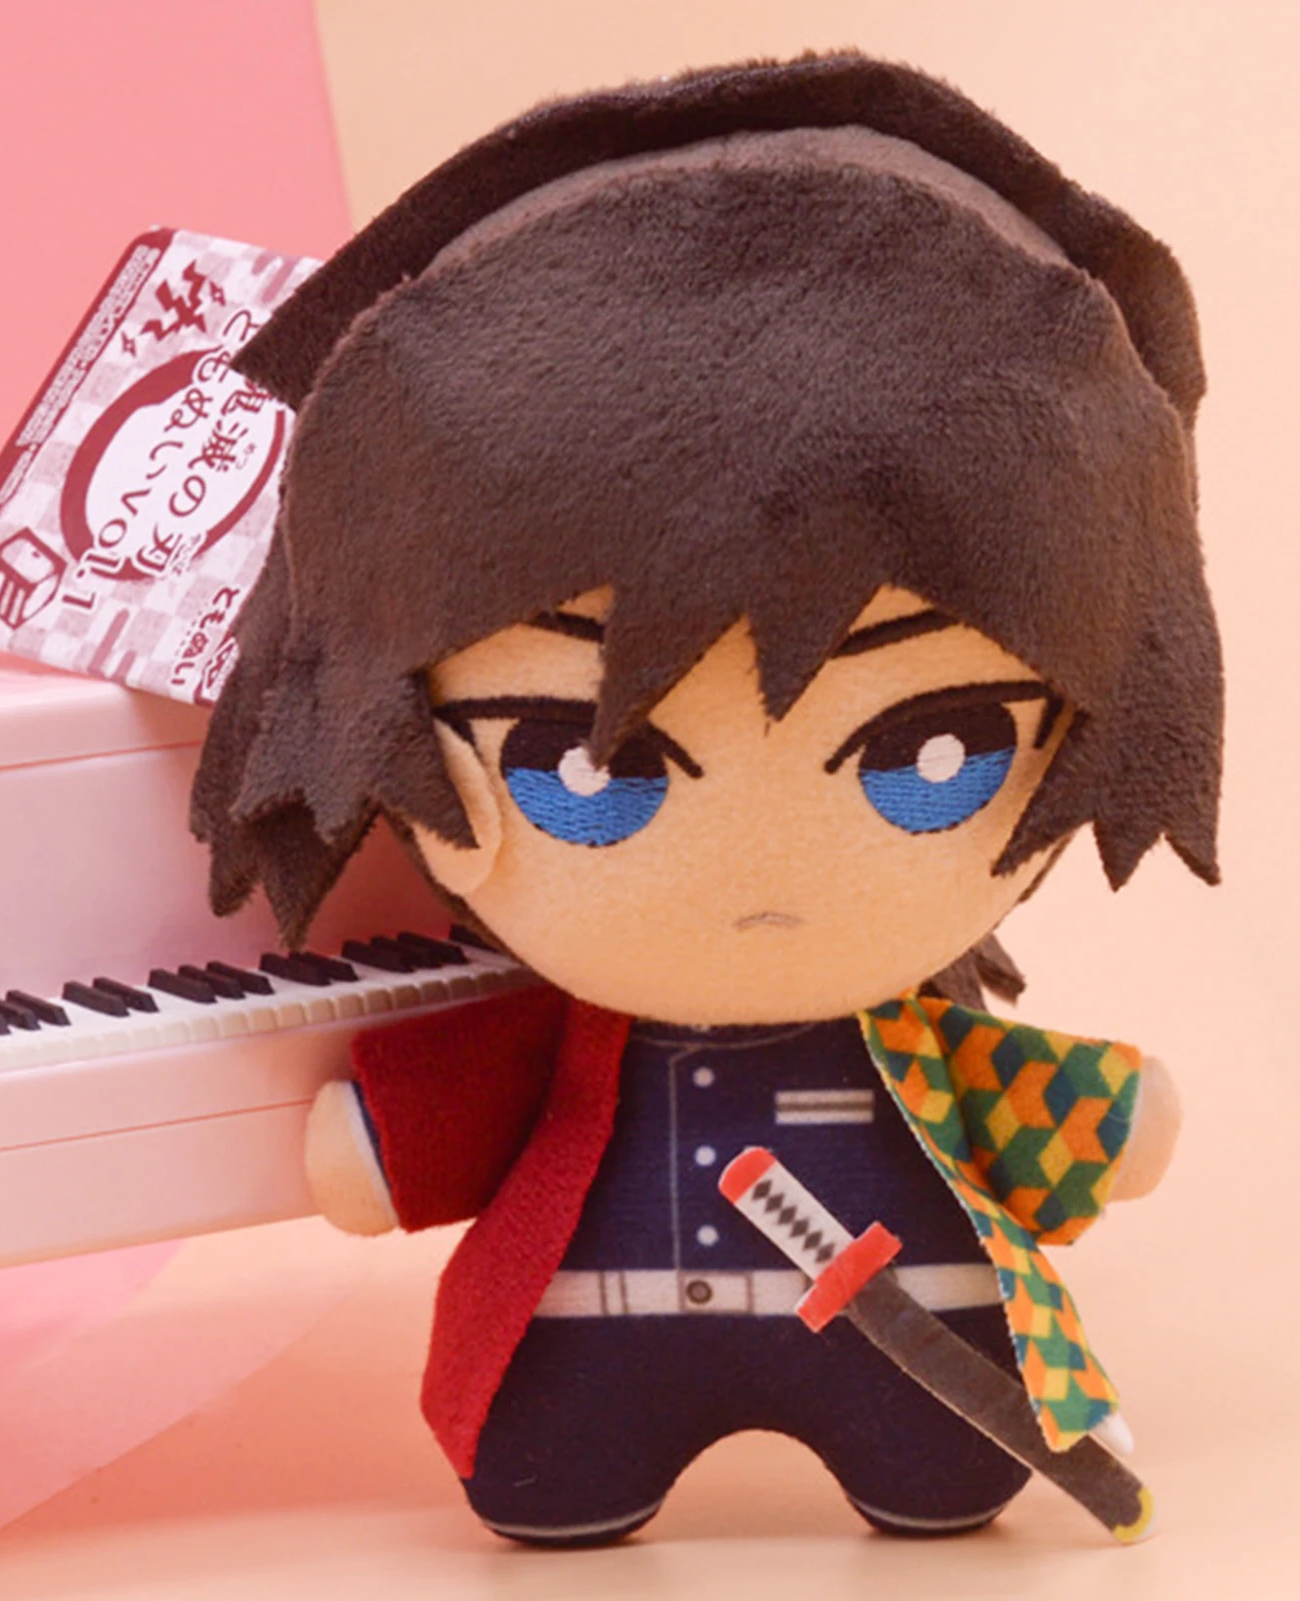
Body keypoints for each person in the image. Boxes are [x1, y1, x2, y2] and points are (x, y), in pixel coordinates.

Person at [191, 53, 1221, 1544]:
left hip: (916, 1353)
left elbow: (1036, 1107)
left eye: (933, 750)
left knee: (943, 1463)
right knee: (551, 1467)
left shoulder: (914, 1049)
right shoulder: (577, 1039)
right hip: (590, 1350)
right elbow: (449, 1115)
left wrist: (1106, 1116)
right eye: (585, 769)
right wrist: (390, 1137)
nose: (761, 875)